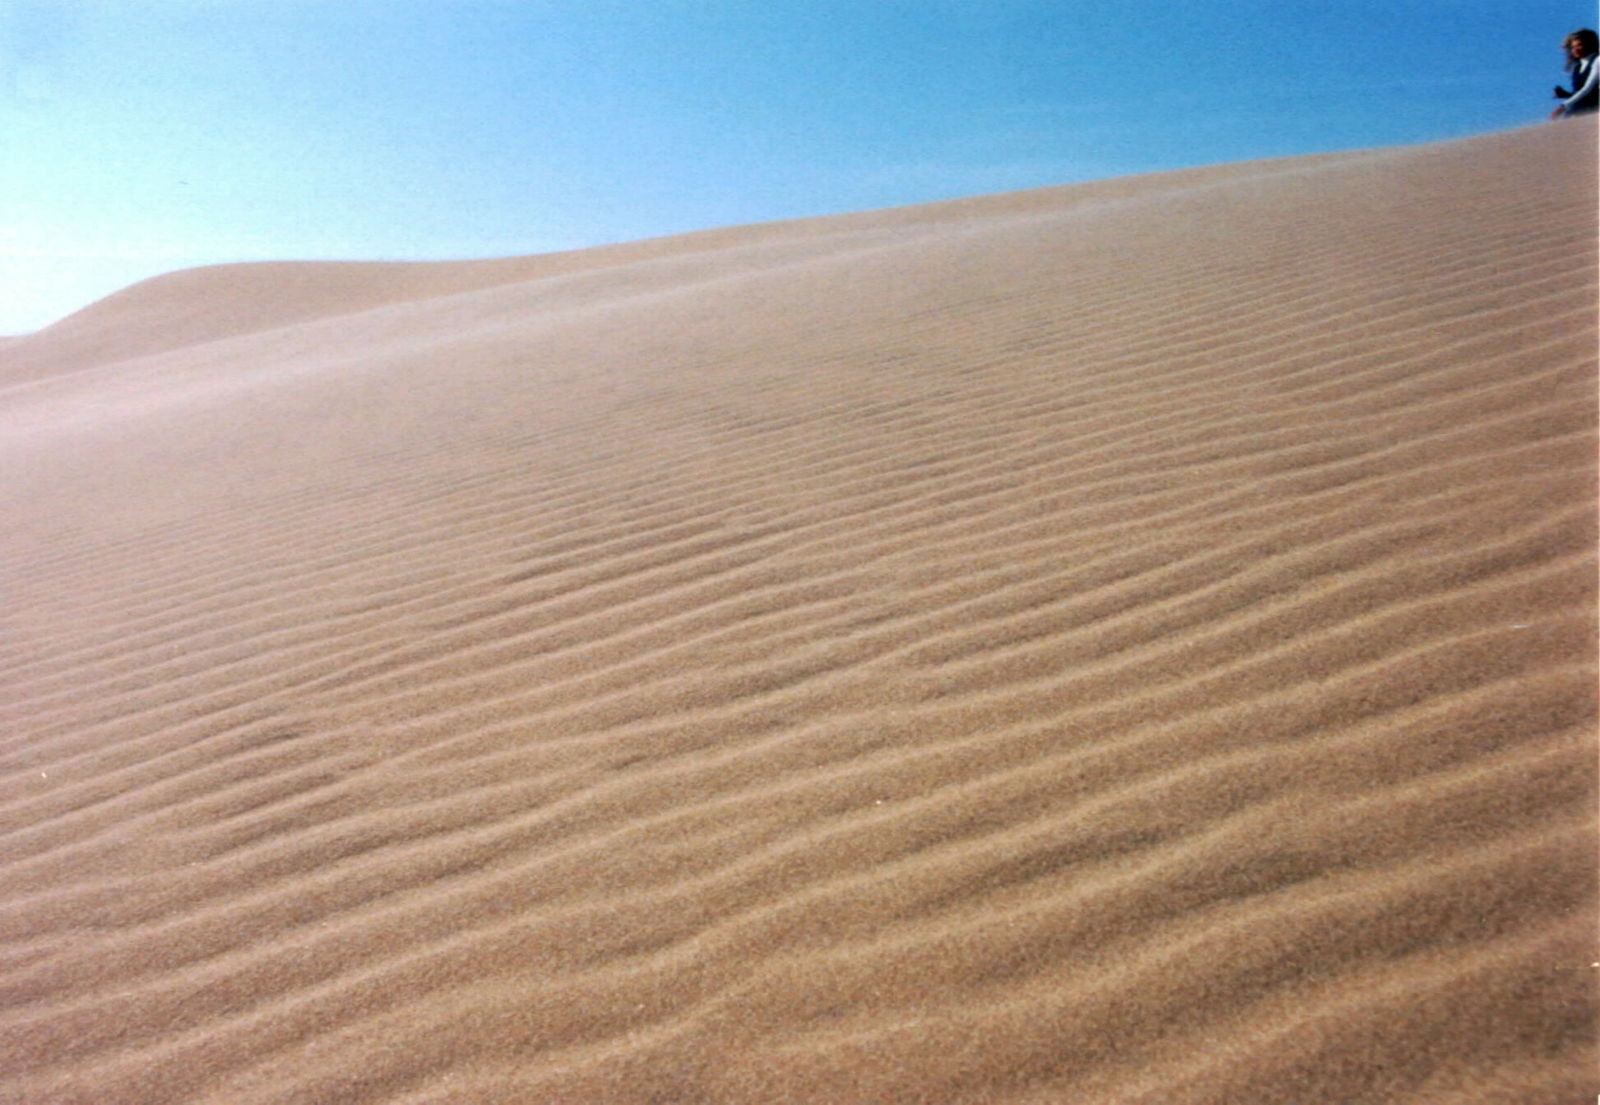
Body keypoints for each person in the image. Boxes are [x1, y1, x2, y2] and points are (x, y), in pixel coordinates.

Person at [1550, 28, 1598, 118]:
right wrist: (1566, 94)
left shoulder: (1596, 61)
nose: (1575, 49)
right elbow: (1580, 94)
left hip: (1592, 111)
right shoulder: (1577, 67)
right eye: (1573, 47)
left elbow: (1588, 89)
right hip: (1575, 111)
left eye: (1579, 45)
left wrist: (1563, 106)